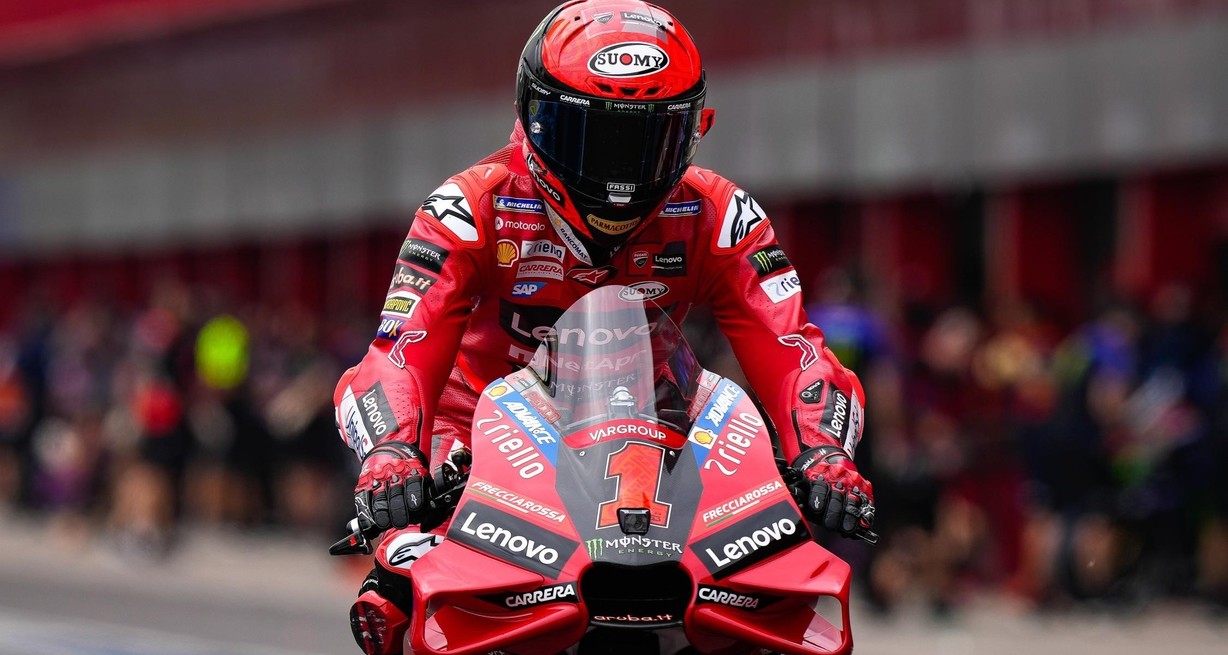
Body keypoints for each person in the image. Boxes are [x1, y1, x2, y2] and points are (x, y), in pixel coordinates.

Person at [333, 2, 874, 653]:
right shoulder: (467, 208)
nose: (620, 174)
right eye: (592, 136)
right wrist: (392, 455)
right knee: (398, 597)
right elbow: (399, 349)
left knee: (775, 600)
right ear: (535, 116)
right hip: (475, 449)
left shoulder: (720, 213)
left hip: (652, 446)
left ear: (694, 129)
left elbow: (794, 348)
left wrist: (823, 453)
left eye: (648, 141)